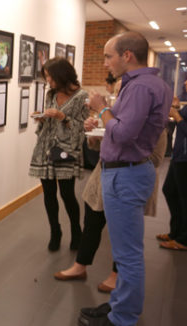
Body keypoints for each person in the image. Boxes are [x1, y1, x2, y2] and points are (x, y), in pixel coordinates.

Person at [80, 32, 172, 326]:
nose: (106, 63)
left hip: (126, 173)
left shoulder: (141, 87)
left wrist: (101, 108)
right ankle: (119, 305)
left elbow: (121, 133)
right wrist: (102, 118)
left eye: (109, 56)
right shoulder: (148, 84)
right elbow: (119, 126)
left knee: (127, 255)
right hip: (127, 171)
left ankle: (123, 317)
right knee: (124, 250)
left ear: (127, 55)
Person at [54, 126, 167, 294]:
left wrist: (123, 147)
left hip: (128, 183)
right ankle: (80, 265)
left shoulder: (156, 126)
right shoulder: (118, 119)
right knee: (92, 222)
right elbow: (99, 148)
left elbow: (156, 159)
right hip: (102, 178)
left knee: (124, 231)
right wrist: (95, 138)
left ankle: (117, 274)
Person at [29, 58, 89, 252]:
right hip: (45, 149)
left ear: (61, 75)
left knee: (67, 194)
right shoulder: (51, 94)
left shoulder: (81, 96)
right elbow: (48, 121)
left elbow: (82, 127)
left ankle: (76, 231)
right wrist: (43, 116)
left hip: (66, 151)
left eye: (50, 76)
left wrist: (61, 116)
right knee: (48, 194)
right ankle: (55, 232)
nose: (48, 81)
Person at [158, 79, 187, 251]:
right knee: (170, 191)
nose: (184, 82)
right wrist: (176, 110)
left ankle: (183, 239)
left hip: (185, 157)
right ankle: (175, 231)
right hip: (179, 155)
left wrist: (177, 117)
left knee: (184, 198)